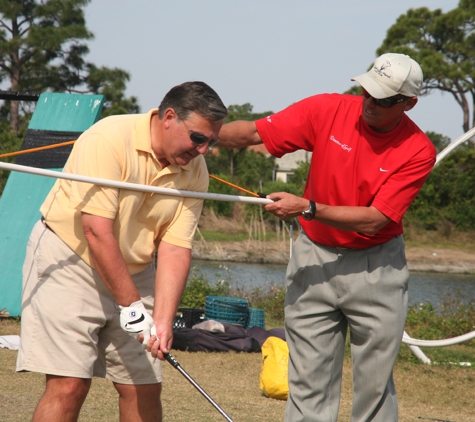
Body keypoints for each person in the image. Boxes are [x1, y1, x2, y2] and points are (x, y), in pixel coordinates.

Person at [218, 53, 436, 421]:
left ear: (409, 103)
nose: (370, 103)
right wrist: (196, 134)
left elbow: (374, 221)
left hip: (376, 266)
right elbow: (255, 133)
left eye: (383, 100)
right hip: (313, 257)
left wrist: (308, 207)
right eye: (367, 91)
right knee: (307, 382)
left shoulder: (418, 150)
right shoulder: (327, 109)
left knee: (375, 387)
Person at [16, 81, 227, 422]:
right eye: (198, 138)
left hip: (134, 268)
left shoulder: (195, 170)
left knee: (142, 387)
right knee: (69, 384)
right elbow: (96, 231)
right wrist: (132, 308)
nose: (203, 150)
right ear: (169, 117)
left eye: (211, 142)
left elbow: (175, 248)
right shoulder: (109, 138)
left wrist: (162, 319)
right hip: (71, 259)